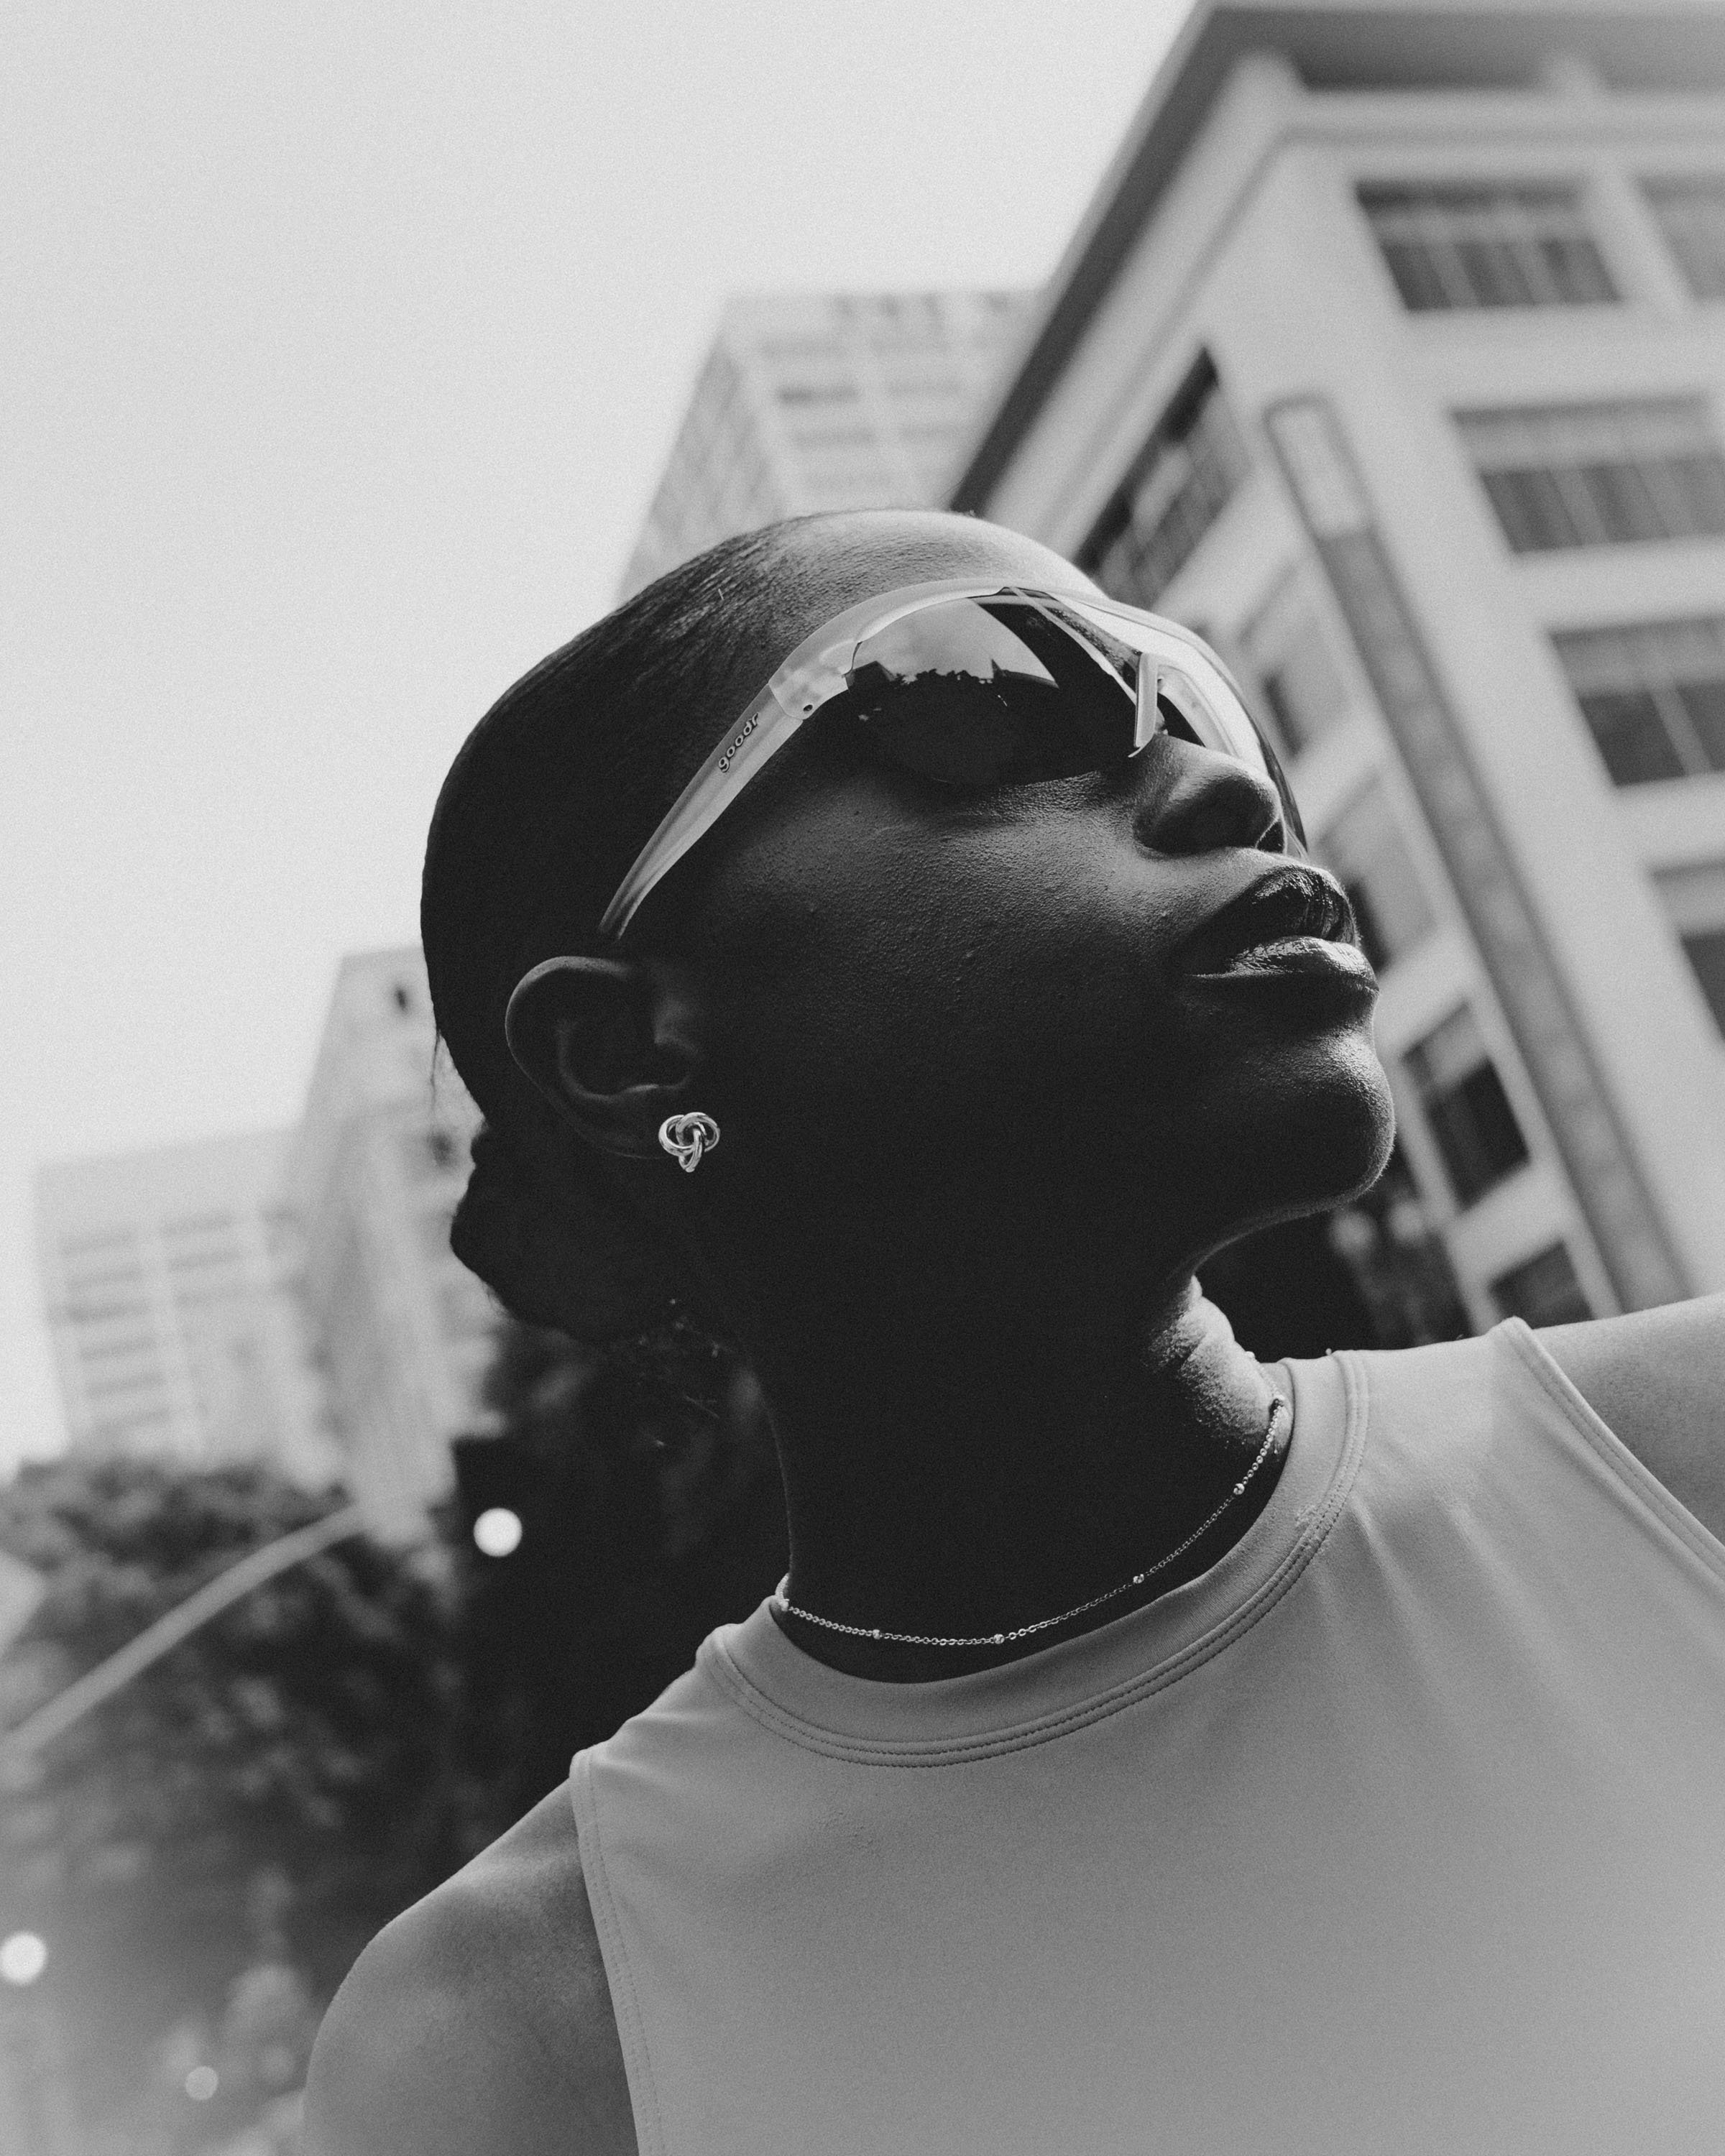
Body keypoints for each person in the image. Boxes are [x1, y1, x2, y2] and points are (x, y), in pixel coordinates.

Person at [305, 511, 1725, 2155]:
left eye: (1196, 702)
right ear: (625, 1052)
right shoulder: (521, 2038)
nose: (1225, 783)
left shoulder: (1690, 1468)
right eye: (991, 697)